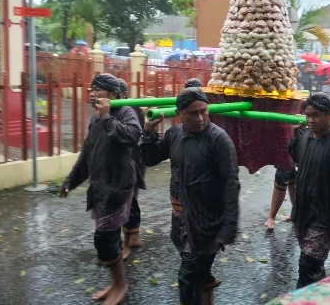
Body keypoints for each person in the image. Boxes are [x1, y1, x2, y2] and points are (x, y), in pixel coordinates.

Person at [140, 88, 240, 305]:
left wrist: (228, 228)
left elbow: (231, 185)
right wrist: (147, 131)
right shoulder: (174, 134)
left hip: (206, 224)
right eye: (192, 114)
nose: (200, 118)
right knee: (198, 274)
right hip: (181, 220)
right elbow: (150, 158)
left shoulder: (219, 140)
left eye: (204, 111)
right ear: (179, 113)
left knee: (187, 278)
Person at [60, 74, 142, 305]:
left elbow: (133, 136)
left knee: (104, 238)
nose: (92, 94)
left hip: (119, 187)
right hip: (100, 188)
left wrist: (107, 118)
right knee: (107, 239)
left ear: (113, 94)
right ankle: (117, 283)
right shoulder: (96, 119)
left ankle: (121, 285)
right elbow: (87, 154)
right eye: (91, 89)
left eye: (98, 90)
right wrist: (70, 180)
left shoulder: (125, 111)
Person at [288, 93, 330, 289]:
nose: (310, 120)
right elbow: (297, 159)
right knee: (314, 267)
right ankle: (324, 293)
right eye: (307, 115)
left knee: (307, 266)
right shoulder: (306, 138)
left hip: (325, 219)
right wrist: (294, 138)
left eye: (316, 115)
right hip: (303, 212)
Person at [117, 78, 148, 260]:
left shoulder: (130, 109)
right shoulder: (115, 109)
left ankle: (128, 241)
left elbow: (133, 135)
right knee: (128, 198)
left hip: (134, 159)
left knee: (129, 200)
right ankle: (133, 236)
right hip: (127, 160)